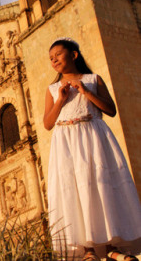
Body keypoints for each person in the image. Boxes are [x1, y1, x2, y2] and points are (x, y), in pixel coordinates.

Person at [44, 38, 141, 261]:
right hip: (66, 143)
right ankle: (86, 250)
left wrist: (86, 92)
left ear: (74, 55)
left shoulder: (93, 80)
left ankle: (110, 247)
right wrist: (61, 99)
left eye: (58, 54)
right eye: (51, 58)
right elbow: (48, 123)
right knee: (75, 190)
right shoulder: (52, 89)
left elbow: (111, 110)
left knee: (99, 187)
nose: (54, 60)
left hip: (94, 138)